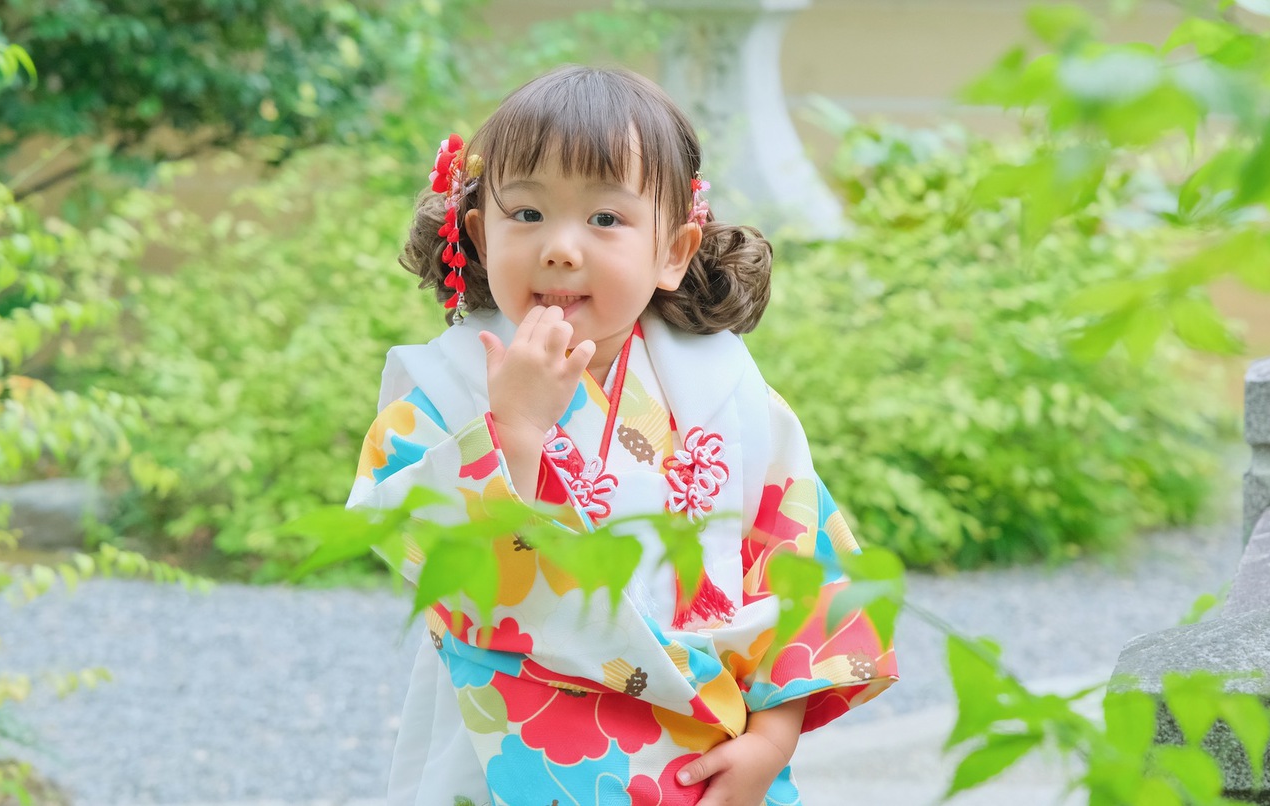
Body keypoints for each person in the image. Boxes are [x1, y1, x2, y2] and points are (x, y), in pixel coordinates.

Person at [349, 65, 897, 806]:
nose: (561, 248)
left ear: (672, 250)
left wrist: (772, 741)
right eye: (527, 214)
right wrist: (510, 430)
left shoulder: (727, 394)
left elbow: (801, 567)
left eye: (605, 219)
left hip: (702, 753)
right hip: (502, 748)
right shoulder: (448, 388)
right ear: (479, 234)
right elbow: (416, 543)